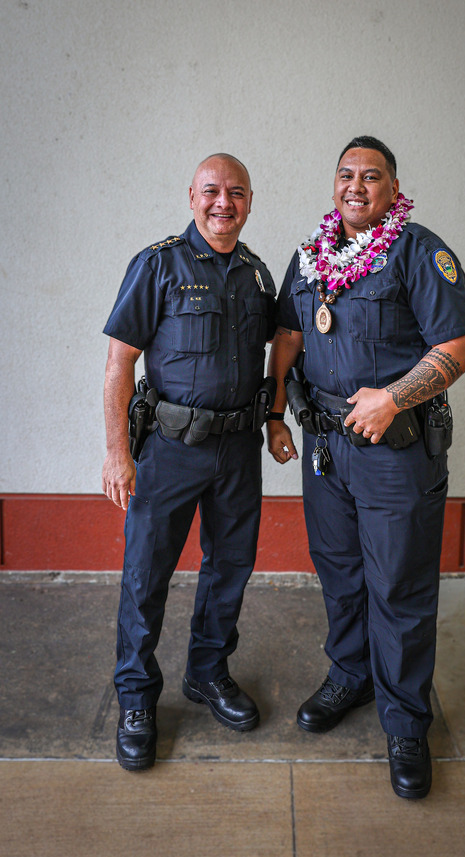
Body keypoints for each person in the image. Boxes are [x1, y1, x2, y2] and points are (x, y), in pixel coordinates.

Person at [267, 136, 465, 799]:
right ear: (334, 185)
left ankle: (406, 721)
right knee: (340, 571)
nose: (355, 186)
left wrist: (394, 398)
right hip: (327, 448)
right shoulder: (311, 256)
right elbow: (290, 336)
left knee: (399, 586)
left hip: (396, 452)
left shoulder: (419, 252)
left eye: (371, 176)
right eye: (346, 174)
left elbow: (457, 347)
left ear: (393, 189)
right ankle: (351, 675)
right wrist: (275, 412)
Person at [102, 154, 277, 771]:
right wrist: (118, 453)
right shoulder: (157, 264)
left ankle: (207, 671)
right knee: (146, 574)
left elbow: (282, 347)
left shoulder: (257, 275)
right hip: (171, 449)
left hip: (238, 449)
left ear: (249, 201)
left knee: (230, 567)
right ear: (192, 196)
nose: (223, 202)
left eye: (236, 192)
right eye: (211, 191)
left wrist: (277, 418)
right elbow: (119, 362)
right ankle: (135, 698)